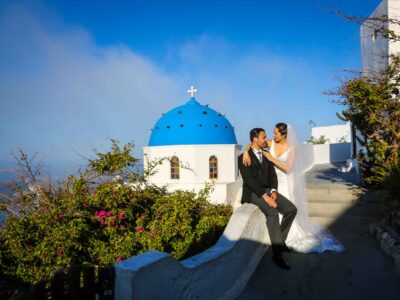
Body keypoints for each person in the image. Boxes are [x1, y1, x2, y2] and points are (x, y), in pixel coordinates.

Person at [242, 123, 345, 253]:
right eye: (273, 133)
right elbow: (255, 143)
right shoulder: (270, 143)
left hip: (285, 180)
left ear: (284, 134)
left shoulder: (292, 148)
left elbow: (288, 168)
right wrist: (246, 152)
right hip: (272, 181)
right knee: (274, 209)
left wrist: (271, 159)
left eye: (276, 133)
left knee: (288, 208)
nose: (273, 135)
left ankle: (284, 237)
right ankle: (277, 238)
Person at [238, 128, 297, 270]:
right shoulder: (243, 157)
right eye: (263, 137)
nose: (266, 139)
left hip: (267, 190)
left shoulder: (266, 154)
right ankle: (277, 254)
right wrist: (265, 197)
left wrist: (273, 191)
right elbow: (249, 181)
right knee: (272, 212)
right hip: (253, 193)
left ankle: (280, 242)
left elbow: (273, 176)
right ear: (255, 139)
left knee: (291, 209)